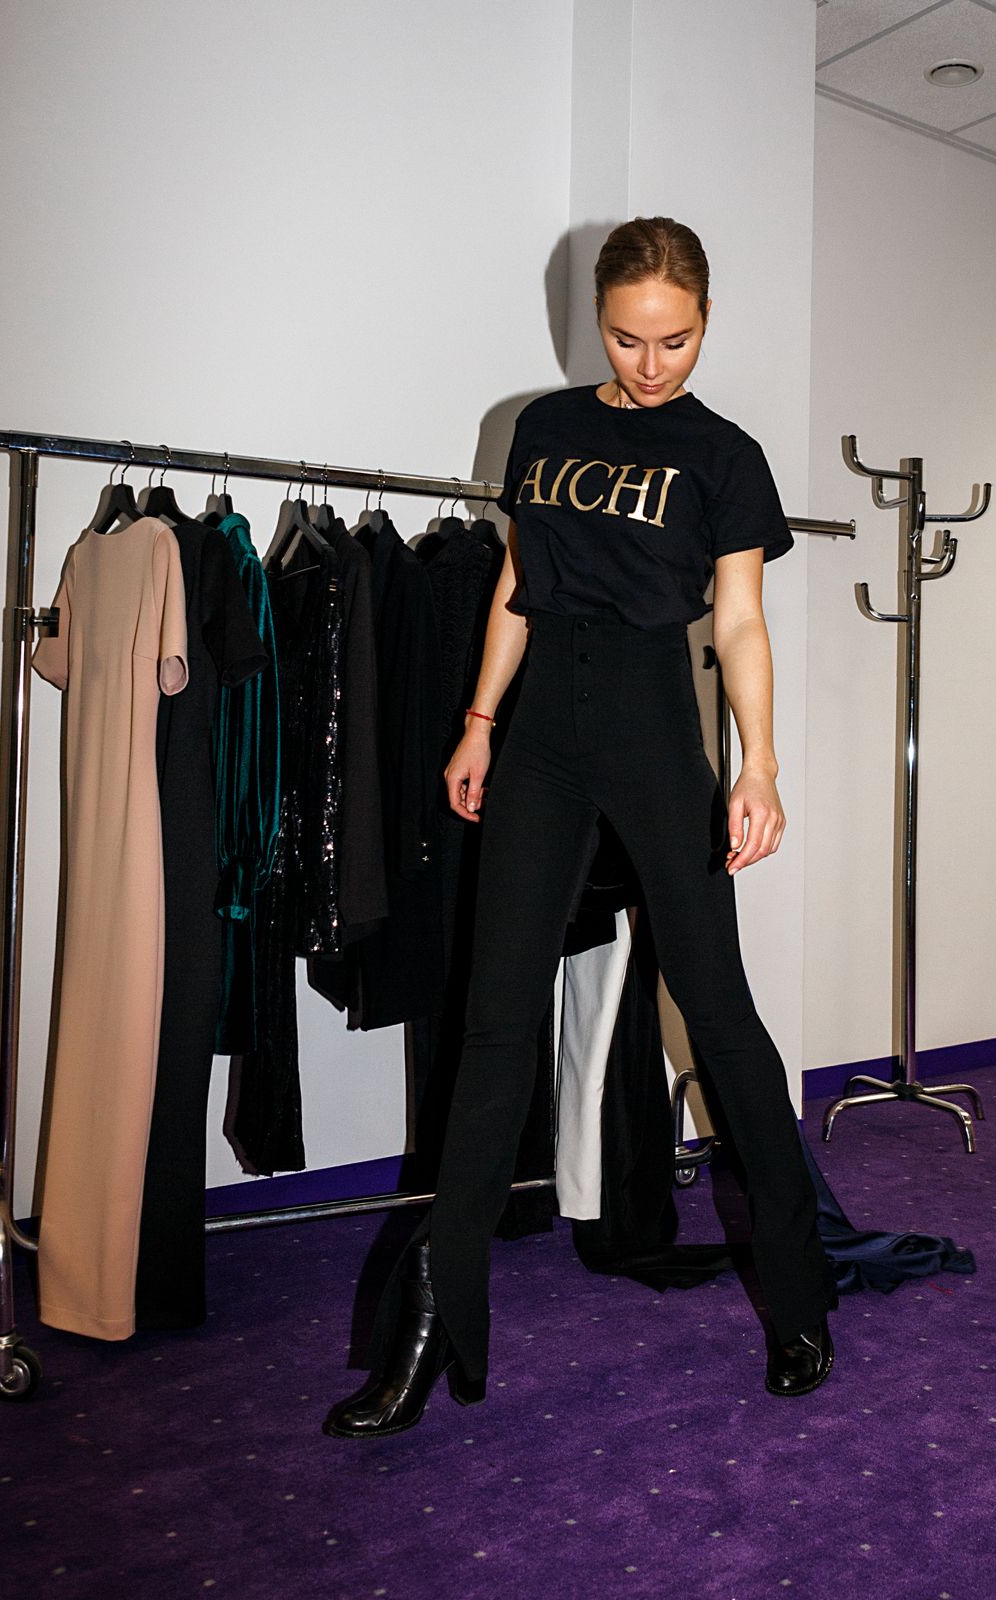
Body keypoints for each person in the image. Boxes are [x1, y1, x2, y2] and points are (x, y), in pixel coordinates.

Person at [323, 215, 836, 1441]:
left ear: (704, 322)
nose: (650, 364)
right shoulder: (543, 427)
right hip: (541, 733)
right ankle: (430, 1330)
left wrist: (758, 764)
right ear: (593, 322)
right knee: (493, 1020)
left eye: (675, 340)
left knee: (716, 1010)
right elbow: (516, 579)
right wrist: (477, 721)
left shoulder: (724, 455)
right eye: (625, 337)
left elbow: (739, 622)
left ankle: (799, 1299)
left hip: (656, 732)